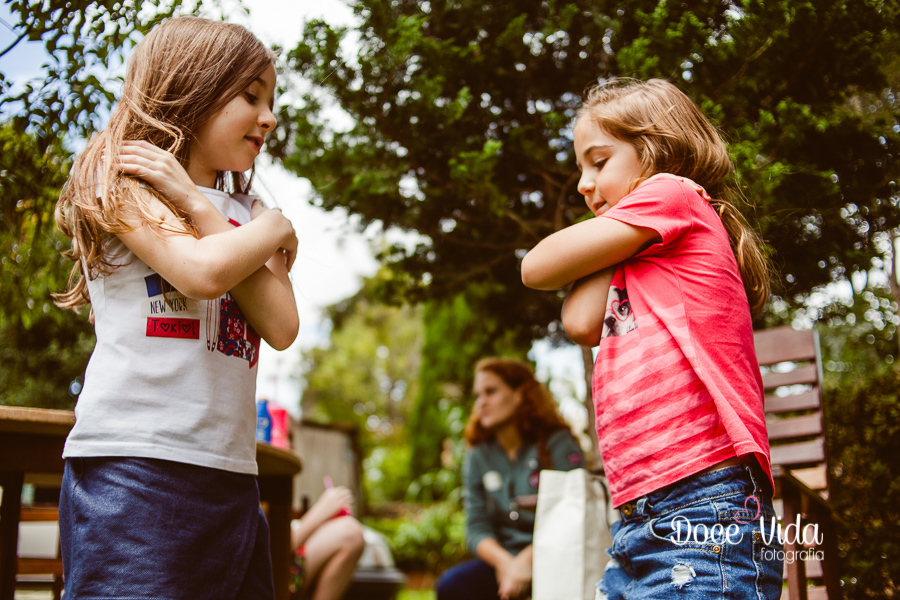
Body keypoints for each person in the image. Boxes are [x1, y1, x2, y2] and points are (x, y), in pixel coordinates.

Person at [53, 16, 298, 600]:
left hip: (232, 475)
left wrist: (208, 206)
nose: (268, 116)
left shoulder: (245, 210)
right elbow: (203, 272)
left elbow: (283, 325)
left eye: (271, 101)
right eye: (250, 95)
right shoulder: (122, 183)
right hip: (135, 468)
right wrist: (276, 228)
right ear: (192, 86)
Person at [520, 78, 782, 599]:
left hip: (706, 504)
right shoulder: (637, 248)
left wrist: (611, 227)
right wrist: (613, 236)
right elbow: (579, 322)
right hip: (641, 513)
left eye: (598, 162)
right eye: (580, 169)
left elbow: (536, 267)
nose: (582, 183)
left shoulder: (674, 193)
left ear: (654, 152)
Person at [436, 357, 586, 600]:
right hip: (503, 560)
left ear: (519, 395)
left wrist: (528, 560)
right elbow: (476, 527)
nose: (481, 403)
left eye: (491, 392)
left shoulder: (557, 443)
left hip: (557, 555)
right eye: (478, 395)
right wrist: (505, 564)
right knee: (452, 586)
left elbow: (573, 514)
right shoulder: (478, 455)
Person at [289, 485, 366, 600]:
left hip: (281, 568)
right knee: (350, 534)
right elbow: (272, 548)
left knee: (350, 534)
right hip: (266, 575)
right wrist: (321, 512)